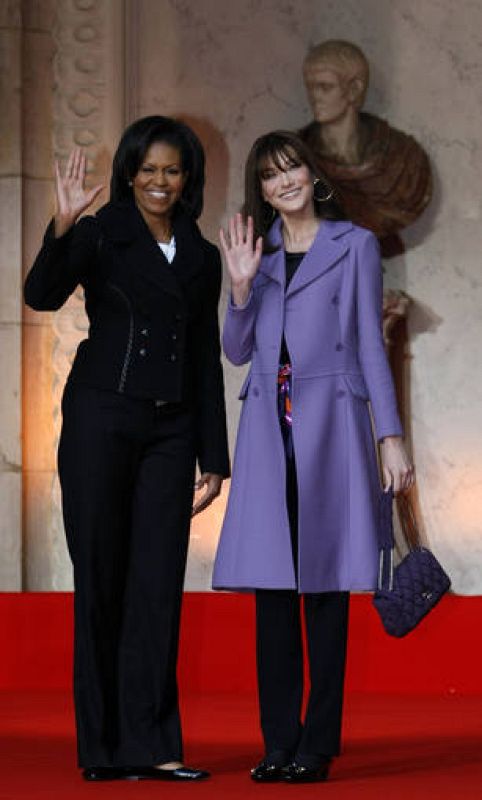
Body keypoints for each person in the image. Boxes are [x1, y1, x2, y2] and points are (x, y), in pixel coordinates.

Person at [24, 116, 230, 782]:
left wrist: (214, 456)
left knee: (157, 585)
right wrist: (60, 225)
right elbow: (41, 295)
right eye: (147, 170)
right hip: (100, 421)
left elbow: (203, 357)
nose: (159, 182)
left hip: (172, 433)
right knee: (103, 580)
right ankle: (104, 750)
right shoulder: (101, 232)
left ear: (188, 178)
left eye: (172, 170)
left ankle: (156, 746)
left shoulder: (202, 256)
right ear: (129, 174)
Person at [212, 130, 414, 783]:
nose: (283, 182)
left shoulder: (353, 245)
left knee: (325, 588)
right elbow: (237, 350)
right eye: (269, 176)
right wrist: (240, 288)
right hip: (268, 434)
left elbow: (368, 344)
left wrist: (390, 435)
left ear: (312, 172)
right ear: (261, 190)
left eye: (291, 167)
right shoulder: (256, 252)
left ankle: (317, 744)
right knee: (273, 590)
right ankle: (278, 743)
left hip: (331, 429)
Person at [300, 40, 432, 257]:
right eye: (310, 87)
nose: (315, 97)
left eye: (325, 87)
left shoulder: (405, 159)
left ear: (354, 89)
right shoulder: (293, 158)